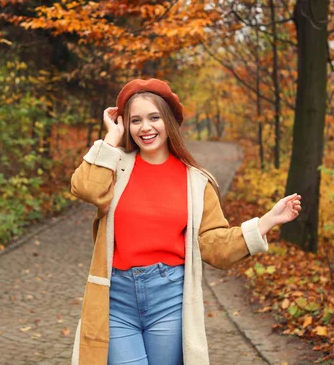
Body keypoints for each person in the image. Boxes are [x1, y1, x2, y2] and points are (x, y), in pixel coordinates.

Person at [70, 78, 302, 365]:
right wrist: (111, 138)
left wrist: (266, 221)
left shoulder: (196, 181)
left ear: (168, 121)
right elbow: (86, 188)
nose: (145, 127)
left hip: (169, 300)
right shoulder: (115, 165)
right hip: (115, 299)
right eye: (135, 120)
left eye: (154, 117)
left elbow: (213, 245)